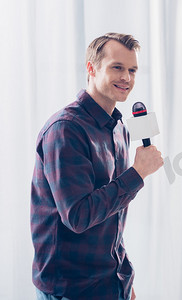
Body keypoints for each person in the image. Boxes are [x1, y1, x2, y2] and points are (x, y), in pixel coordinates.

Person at [30, 33, 164, 300]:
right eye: (117, 67)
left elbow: (111, 213)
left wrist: (121, 277)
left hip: (110, 283)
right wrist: (137, 173)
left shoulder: (120, 128)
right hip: (71, 289)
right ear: (91, 68)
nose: (126, 77)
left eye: (132, 70)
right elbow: (78, 216)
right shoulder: (66, 130)